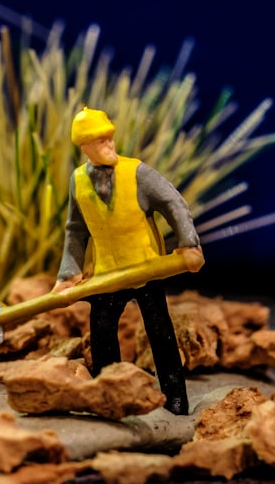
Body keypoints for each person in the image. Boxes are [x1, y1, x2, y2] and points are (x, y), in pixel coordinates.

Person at [52, 107, 203, 415]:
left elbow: (173, 202)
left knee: (160, 335)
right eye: (100, 141)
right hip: (108, 274)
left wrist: (189, 243)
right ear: (84, 146)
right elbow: (76, 230)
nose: (108, 145)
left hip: (145, 268)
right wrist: (68, 274)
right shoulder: (78, 181)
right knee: (103, 335)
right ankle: (111, 397)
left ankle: (175, 400)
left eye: (109, 138)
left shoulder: (137, 173)